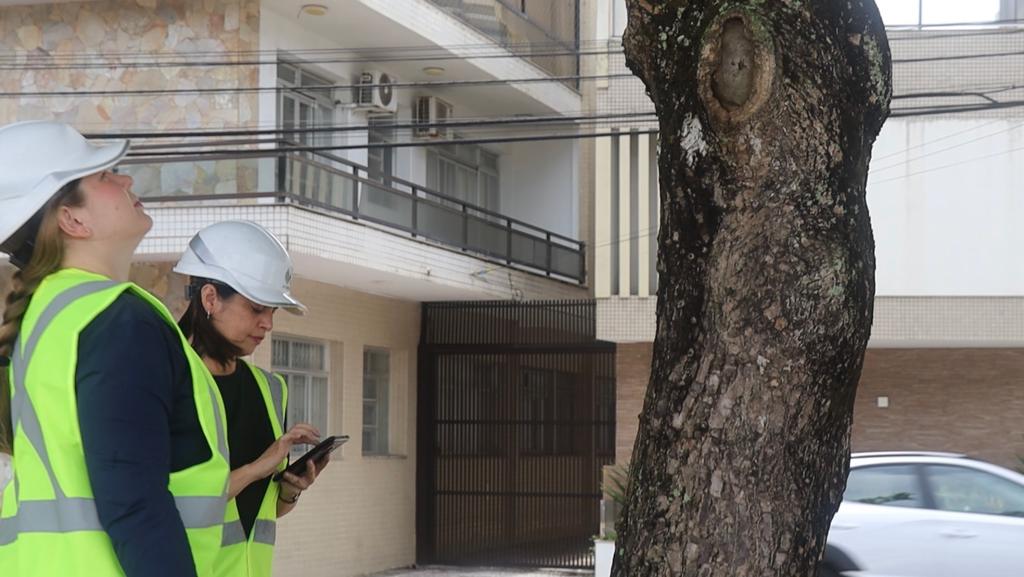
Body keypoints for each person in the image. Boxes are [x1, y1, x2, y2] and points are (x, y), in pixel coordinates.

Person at [0, 120, 231, 577]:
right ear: (73, 219)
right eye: (105, 176)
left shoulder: (50, 313)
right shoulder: (115, 320)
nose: (125, 179)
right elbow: (134, 502)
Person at [174, 220, 326, 577]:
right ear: (210, 298)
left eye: (272, 312)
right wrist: (260, 465)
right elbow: (171, 502)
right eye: (258, 309)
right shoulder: (168, 380)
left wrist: (289, 490)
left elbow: (262, 513)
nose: (268, 324)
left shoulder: (271, 390)